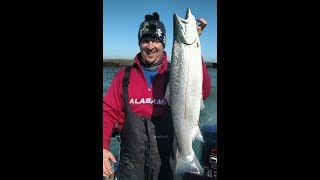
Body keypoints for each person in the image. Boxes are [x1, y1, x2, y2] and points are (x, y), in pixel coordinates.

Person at [103, 11, 211, 180]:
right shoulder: (123, 77)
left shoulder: (175, 72)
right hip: (129, 168)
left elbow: (203, 91)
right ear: (139, 43)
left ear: (164, 43)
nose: (151, 46)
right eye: (145, 40)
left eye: (156, 40)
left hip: (166, 168)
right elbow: (107, 112)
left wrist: (193, 49)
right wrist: (103, 147)